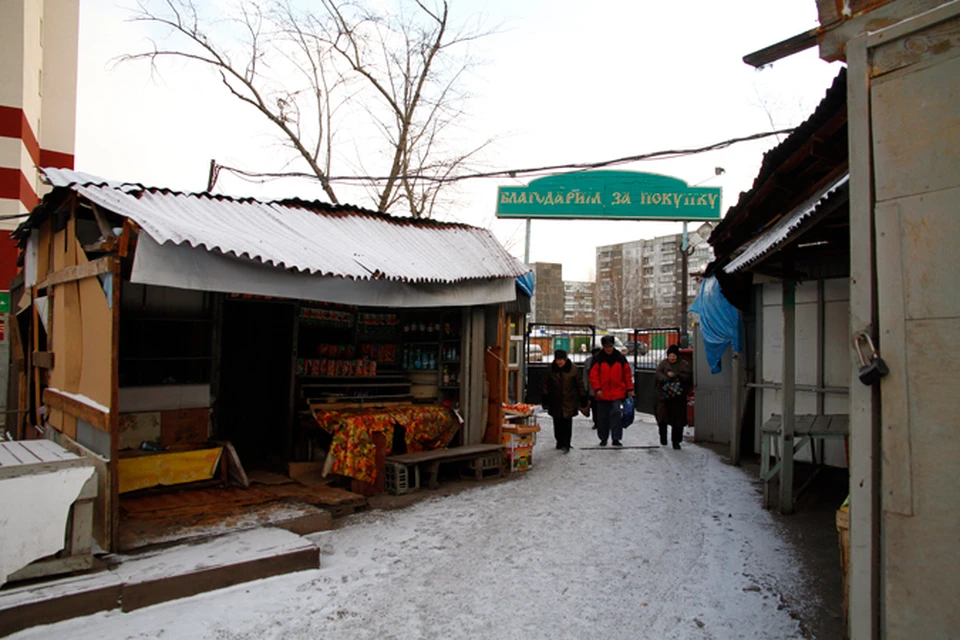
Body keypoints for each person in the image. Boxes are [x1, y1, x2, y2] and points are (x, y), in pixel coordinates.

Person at [588, 335, 634, 447]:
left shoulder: (620, 358)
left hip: (617, 392)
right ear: (603, 346)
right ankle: (603, 438)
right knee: (602, 418)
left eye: (610, 346)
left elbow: (627, 374)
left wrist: (629, 388)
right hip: (602, 393)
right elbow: (593, 376)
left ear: (613, 346)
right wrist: (597, 389)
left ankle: (616, 438)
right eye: (606, 346)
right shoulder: (598, 358)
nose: (608, 348)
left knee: (616, 417)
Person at [540, 349, 586, 453]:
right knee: (557, 421)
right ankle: (559, 441)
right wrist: (545, 397)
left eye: (561, 360)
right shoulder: (550, 369)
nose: (559, 362)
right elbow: (544, 384)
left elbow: (579, 384)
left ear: (565, 359)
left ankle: (567, 443)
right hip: (555, 400)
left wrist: (582, 398)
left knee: (567, 422)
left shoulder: (573, 369)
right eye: (557, 360)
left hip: (569, 399)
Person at [655, 344, 693, 450]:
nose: (672, 358)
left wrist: (676, 376)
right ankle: (663, 437)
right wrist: (665, 378)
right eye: (670, 355)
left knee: (678, 421)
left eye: (673, 355)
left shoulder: (684, 365)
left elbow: (688, 377)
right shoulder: (663, 364)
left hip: (678, 398)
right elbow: (657, 374)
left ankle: (676, 441)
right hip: (664, 397)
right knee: (662, 418)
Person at [581, 345, 602, 429]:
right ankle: (599, 422)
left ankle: (597, 422)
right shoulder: (600, 360)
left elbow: (585, 376)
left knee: (595, 406)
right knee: (599, 406)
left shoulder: (588, 361)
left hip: (592, 388)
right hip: (596, 388)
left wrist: (585, 387)